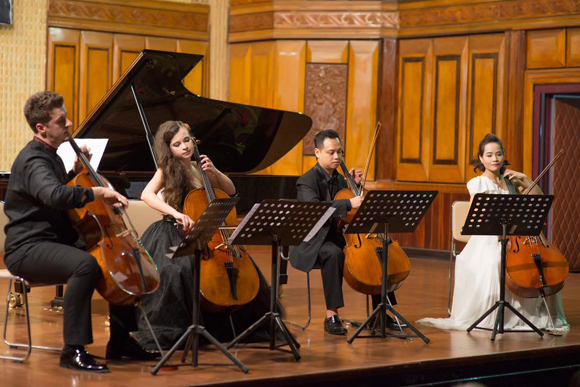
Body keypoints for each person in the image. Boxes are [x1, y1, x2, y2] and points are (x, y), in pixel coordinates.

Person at [3, 91, 159, 373]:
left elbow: (54, 191)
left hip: (52, 242)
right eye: (61, 120)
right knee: (85, 265)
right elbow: (53, 196)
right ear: (41, 128)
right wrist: (96, 191)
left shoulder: (50, 157)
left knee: (118, 263)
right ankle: (72, 349)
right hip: (27, 248)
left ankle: (121, 342)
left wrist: (74, 172)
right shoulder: (32, 159)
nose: (70, 123)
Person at [134, 120, 279, 349]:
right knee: (178, 271)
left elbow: (229, 191)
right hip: (175, 229)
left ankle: (232, 326)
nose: (184, 147)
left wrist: (215, 172)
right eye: (177, 144)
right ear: (169, 148)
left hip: (208, 231)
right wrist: (175, 213)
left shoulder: (198, 166)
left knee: (250, 274)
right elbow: (146, 195)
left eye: (187, 140)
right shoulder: (166, 169)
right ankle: (181, 330)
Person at [417, 133, 569, 331]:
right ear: (481, 158)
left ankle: (534, 315)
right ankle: (500, 315)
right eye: (489, 155)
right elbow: (476, 215)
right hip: (489, 236)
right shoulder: (478, 183)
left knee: (540, 262)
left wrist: (525, 179)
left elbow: (538, 199)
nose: (494, 159)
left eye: (498, 154)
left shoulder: (511, 181)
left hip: (515, 236)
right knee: (495, 262)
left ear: (503, 155)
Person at [289, 129, 403, 335]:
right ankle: (331, 315)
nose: (337, 157)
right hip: (314, 240)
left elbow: (347, 210)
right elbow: (317, 212)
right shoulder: (306, 180)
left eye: (340, 152)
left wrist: (354, 186)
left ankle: (381, 311)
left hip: (339, 235)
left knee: (376, 251)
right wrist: (349, 202)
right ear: (316, 152)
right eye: (331, 152)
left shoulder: (341, 180)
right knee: (333, 254)